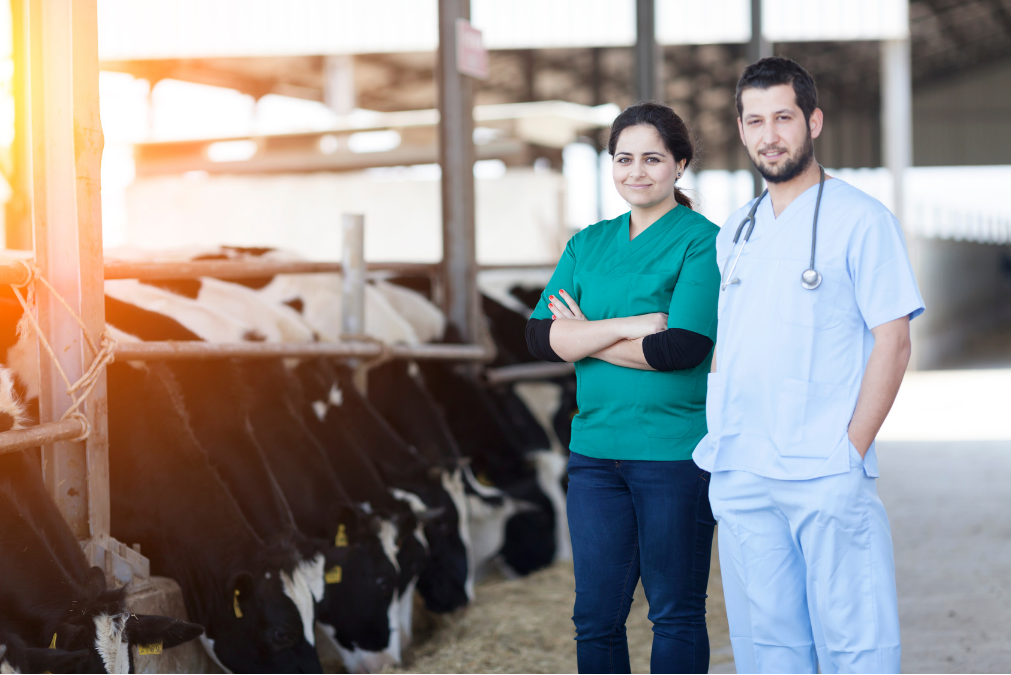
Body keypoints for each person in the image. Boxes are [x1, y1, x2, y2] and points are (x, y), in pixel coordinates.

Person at [694, 56, 924, 674]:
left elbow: (893, 341)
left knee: (856, 638)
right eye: (755, 120)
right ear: (741, 130)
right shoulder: (734, 231)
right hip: (744, 468)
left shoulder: (862, 220)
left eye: (784, 118)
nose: (770, 134)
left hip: (823, 465)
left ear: (813, 121)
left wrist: (849, 451)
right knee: (766, 647)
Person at [525, 102, 720, 674]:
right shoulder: (588, 243)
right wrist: (631, 325)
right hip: (594, 457)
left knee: (676, 613)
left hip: (673, 455)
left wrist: (582, 334)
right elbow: (539, 338)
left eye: (653, 159)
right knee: (595, 619)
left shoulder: (702, 241)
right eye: (624, 158)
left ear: (679, 165)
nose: (637, 172)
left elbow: (680, 349)